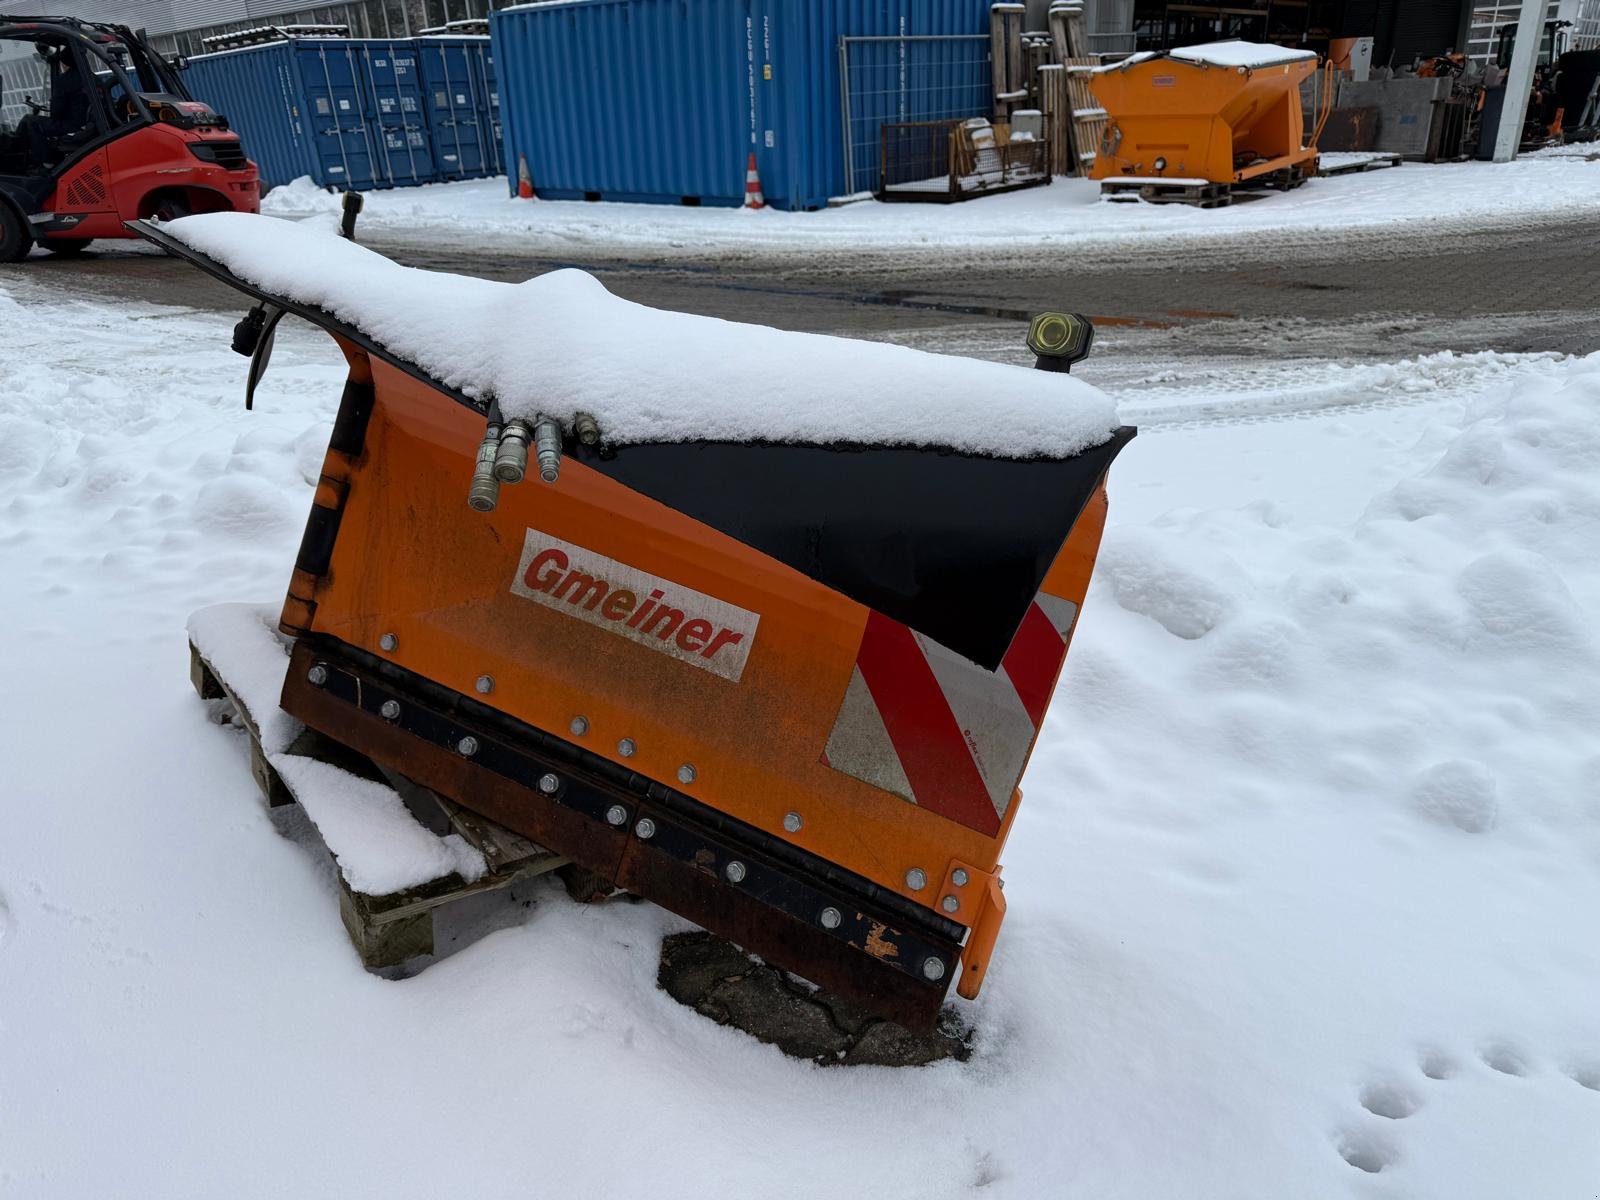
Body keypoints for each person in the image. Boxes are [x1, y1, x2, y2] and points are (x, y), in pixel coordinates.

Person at [17, 43, 93, 169]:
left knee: (30, 121)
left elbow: (56, 112)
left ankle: (45, 161)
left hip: (71, 125)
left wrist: (54, 108)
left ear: (65, 61)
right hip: (87, 123)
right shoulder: (92, 77)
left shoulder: (64, 80)